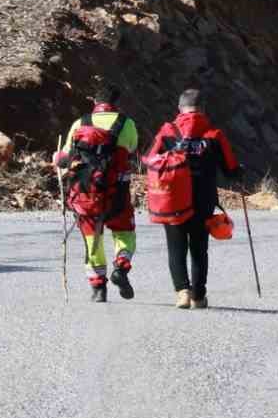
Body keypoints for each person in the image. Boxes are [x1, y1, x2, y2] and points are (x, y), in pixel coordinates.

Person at [145, 88, 241, 309]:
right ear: (203, 109)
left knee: (176, 247)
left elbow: (149, 159)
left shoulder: (167, 131)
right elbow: (231, 170)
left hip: (173, 198)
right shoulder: (214, 135)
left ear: (180, 109)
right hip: (203, 200)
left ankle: (182, 293)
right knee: (199, 248)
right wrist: (239, 172)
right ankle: (198, 296)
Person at [54, 84, 141, 302]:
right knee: (125, 233)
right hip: (117, 193)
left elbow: (64, 158)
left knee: (92, 239)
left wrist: (57, 158)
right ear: (116, 103)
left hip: (86, 194)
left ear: (95, 102)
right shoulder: (127, 123)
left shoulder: (80, 123)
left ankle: (98, 287)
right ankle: (121, 266)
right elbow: (132, 149)